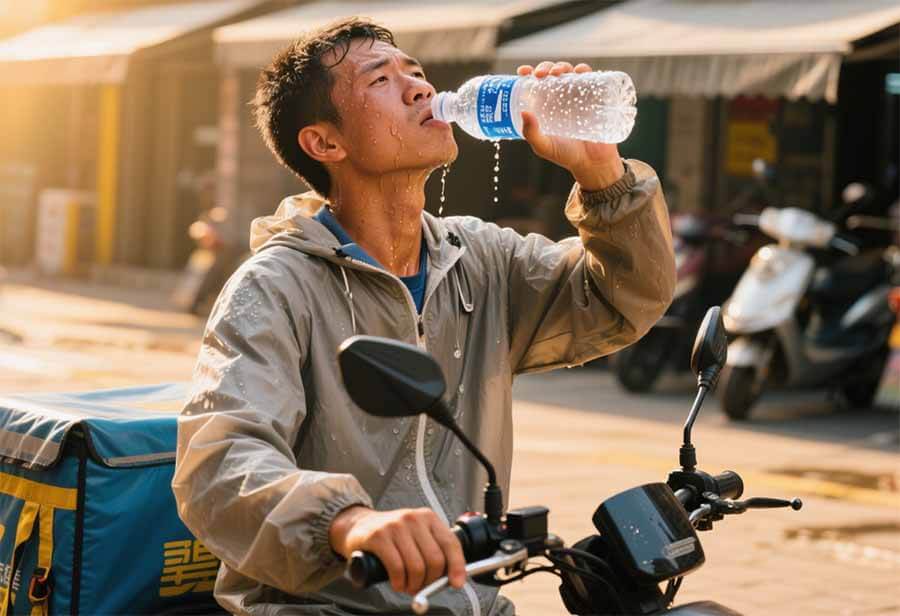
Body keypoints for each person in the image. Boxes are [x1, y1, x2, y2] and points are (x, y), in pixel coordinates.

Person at [172, 17, 675, 616]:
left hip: (472, 601)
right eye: (381, 80)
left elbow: (623, 301)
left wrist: (600, 175)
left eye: (416, 72)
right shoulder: (276, 286)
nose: (419, 88)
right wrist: (348, 523)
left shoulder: (480, 259)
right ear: (325, 144)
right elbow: (221, 461)